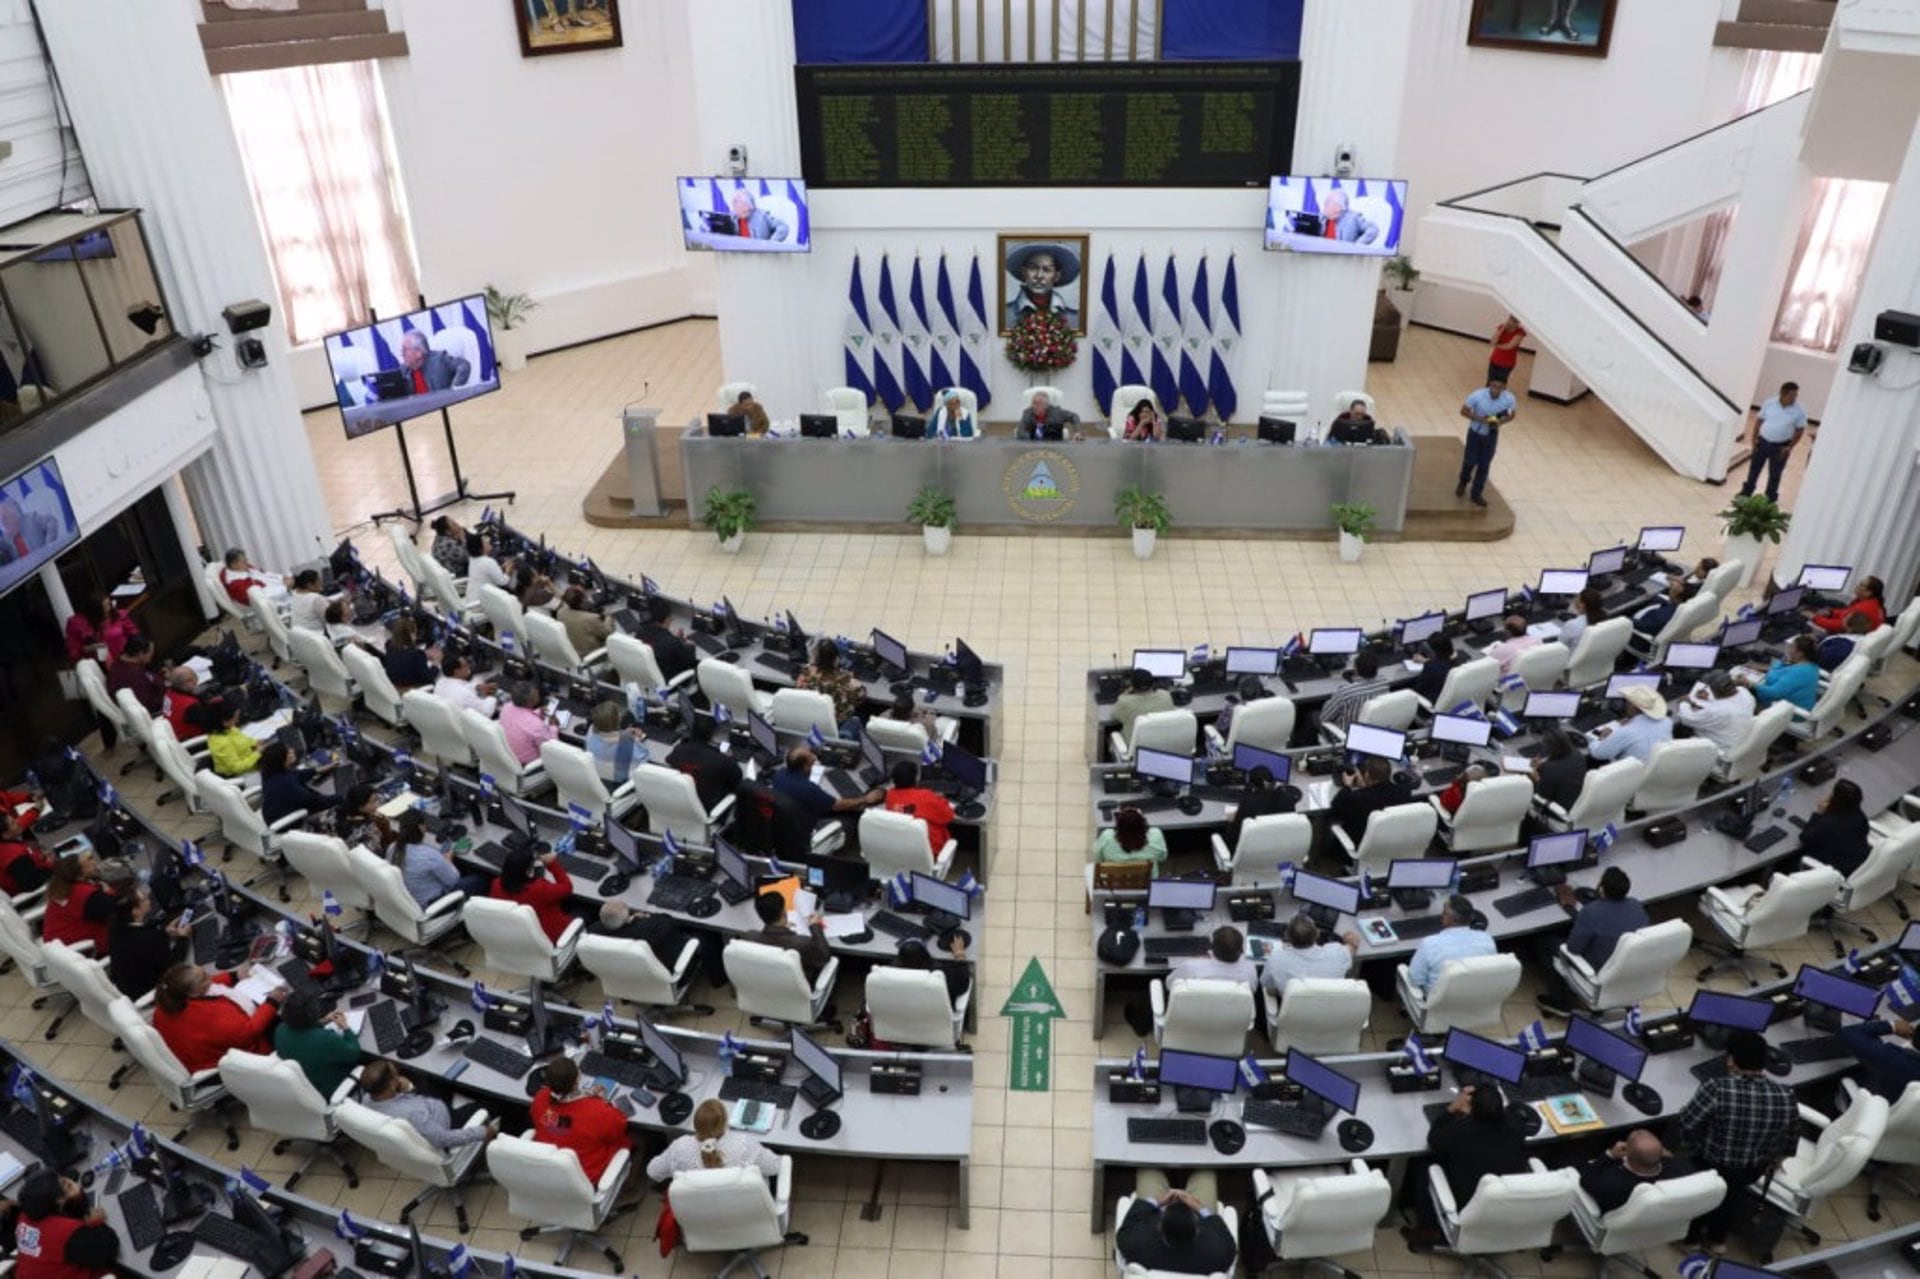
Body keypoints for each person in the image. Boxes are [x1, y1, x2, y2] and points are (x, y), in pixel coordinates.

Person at [1677, 1029, 1798, 1248]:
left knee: (1708, 1194)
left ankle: (1691, 1240)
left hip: (1712, 1164)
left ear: (1731, 1060)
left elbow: (1686, 1121)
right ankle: (1717, 1240)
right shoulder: (1786, 1094)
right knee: (1730, 1195)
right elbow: (1790, 1139)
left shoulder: (1716, 1088)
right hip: (1752, 1170)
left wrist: (1690, 1148)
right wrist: (1777, 1159)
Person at [1533, 867, 1650, 1017]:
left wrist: (1569, 906)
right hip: (1626, 966)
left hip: (1596, 970)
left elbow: (1573, 949)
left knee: (1543, 941)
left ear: (1601, 889)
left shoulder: (1591, 912)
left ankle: (1559, 1000)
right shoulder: (1635, 905)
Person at [151, 961, 282, 1071]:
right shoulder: (210, 1018)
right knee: (282, 1022)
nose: (210, 976)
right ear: (192, 993)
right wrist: (272, 1002)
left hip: (194, 1053)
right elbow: (248, 1034)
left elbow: (201, 983)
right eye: (204, 978)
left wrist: (233, 976)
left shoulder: (169, 998)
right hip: (232, 1060)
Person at [529, 1056, 634, 1186]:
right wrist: (600, 1103)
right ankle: (630, 1193)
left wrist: (587, 1096)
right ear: (576, 1080)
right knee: (638, 1139)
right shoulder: (598, 1112)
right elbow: (618, 1130)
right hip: (585, 1176)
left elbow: (564, 1123)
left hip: (550, 1166)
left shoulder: (540, 1098)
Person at [1427, 1085, 1528, 1215]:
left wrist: (1451, 1109)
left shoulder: (1459, 1131)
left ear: (1471, 1109)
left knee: (1422, 1165)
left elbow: (1433, 1140)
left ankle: (1429, 1227)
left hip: (1469, 1207)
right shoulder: (1516, 1126)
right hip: (1509, 1204)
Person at [358, 1059, 496, 1150]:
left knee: (436, 1077)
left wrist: (410, 1088)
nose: (399, 1077)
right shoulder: (413, 1115)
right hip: (446, 1121)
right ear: (392, 1084)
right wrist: (482, 1132)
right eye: (396, 1076)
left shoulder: (366, 1099)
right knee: (492, 1102)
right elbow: (444, 1139)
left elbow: (405, 1101)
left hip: (420, 1104)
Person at [1113, 1177, 1237, 1276]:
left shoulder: (1136, 1244)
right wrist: (1200, 1207)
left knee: (1150, 1171)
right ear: (1197, 1230)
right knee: (1205, 1175)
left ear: (1160, 1227)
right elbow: (1230, 1245)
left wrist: (1158, 1201)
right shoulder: (1217, 1255)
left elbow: (1127, 1228)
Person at [11, 1166, 119, 1278]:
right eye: (63, 1183)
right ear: (58, 1200)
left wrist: (76, 1196)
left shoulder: (25, 1215)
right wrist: (97, 1223)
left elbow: (71, 1212)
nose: (68, 1181)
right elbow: (108, 1249)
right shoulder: (64, 1235)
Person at [646, 1098, 782, 1182]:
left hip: (701, 1216)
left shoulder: (679, 1147)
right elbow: (775, 1168)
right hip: (741, 1210)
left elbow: (653, 1172)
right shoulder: (744, 1144)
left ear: (695, 1124)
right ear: (725, 1123)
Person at [272, 989, 362, 1100]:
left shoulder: (280, 1030)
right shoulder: (325, 1039)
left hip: (306, 1084)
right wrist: (346, 1028)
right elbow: (354, 1054)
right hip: (330, 1087)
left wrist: (322, 1021)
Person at [1579, 1130, 1695, 1215]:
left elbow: (1585, 1179)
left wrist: (1609, 1155)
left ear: (1627, 1154)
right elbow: (1674, 1161)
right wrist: (1668, 1158)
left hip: (1609, 1212)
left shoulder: (1611, 1184)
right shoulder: (1683, 1170)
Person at [771, 746, 883, 832]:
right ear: (805, 766)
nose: (814, 757)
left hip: (792, 817)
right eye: (811, 757)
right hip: (807, 824)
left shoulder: (779, 774)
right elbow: (837, 806)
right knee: (854, 815)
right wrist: (864, 799)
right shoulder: (808, 788)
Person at [395, 809, 489, 908]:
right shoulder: (428, 855)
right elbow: (454, 879)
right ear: (421, 827)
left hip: (413, 901)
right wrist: (449, 856)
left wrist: (443, 859)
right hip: (434, 905)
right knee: (481, 879)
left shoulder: (393, 848)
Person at [107, 885, 187, 1000]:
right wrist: (183, 937)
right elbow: (175, 965)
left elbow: (144, 933)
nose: (148, 899)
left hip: (129, 988)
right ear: (135, 911)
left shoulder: (115, 929)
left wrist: (164, 932)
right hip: (153, 993)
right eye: (144, 898)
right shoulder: (147, 938)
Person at [1407, 894, 1495, 996]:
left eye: (1443, 913)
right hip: (1476, 1000)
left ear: (1447, 919)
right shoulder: (1487, 940)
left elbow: (1415, 980)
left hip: (1439, 1006)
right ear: (1471, 917)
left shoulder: (1429, 944)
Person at [1738, 380, 1809, 504]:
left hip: (1781, 447)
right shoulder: (1769, 403)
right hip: (1762, 442)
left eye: (1796, 395)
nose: (1794, 398)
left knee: (1775, 474)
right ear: (1783, 393)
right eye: (1792, 395)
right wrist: (1754, 440)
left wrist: (1789, 447)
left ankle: (1770, 499)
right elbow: (1759, 421)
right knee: (1754, 470)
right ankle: (1746, 492)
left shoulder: (1799, 410)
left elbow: (1799, 430)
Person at [1260, 914, 1358, 999]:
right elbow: (1353, 944)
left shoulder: (1276, 959)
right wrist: (1348, 938)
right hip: (1330, 1012)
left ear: (1287, 937)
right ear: (1317, 933)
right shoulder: (1337, 952)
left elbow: (1268, 988)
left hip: (1295, 1016)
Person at [491, 845, 575, 943]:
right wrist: (552, 863)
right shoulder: (539, 889)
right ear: (528, 871)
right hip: (551, 936)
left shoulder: (496, 884)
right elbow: (567, 887)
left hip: (518, 936)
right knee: (585, 912)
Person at [1456, 374, 1517, 508]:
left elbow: (1512, 415)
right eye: (1494, 386)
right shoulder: (1477, 396)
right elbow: (1463, 411)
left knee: (1484, 465)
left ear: (1504, 388)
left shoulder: (1509, 398)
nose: (1496, 390)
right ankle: (1463, 481)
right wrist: (1480, 419)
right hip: (1475, 433)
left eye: (1500, 387)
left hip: (1491, 435)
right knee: (1469, 461)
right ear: (1489, 385)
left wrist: (1500, 421)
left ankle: (1476, 494)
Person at [1327, 755, 1414, 846]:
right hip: (1390, 842)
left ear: (1367, 775)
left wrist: (1347, 786)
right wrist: (1365, 787)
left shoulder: (1358, 798)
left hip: (1361, 844)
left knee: (1331, 822)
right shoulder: (1403, 792)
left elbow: (1335, 809)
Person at [665, 713, 743, 812]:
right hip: (705, 809)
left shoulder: (679, 750)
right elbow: (738, 779)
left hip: (678, 804)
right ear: (712, 736)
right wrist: (731, 759)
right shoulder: (721, 760)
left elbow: (668, 760)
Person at [1796, 778, 1872, 878]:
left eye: (1832, 794)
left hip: (1832, 872)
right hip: (1856, 866)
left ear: (1836, 799)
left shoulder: (1828, 823)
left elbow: (1804, 838)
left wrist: (1818, 814)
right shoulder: (1860, 816)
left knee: (1784, 862)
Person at [751, 889, 832, 981]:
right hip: (802, 984)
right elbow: (825, 956)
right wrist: (815, 926)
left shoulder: (751, 937)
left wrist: (782, 926)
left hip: (770, 982)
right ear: (784, 912)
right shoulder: (802, 943)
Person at [42, 854, 113, 952]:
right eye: (91, 865)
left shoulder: (62, 890)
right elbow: (115, 913)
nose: (94, 864)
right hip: (85, 951)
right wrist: (109, 893)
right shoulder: (85, 895)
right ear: (79, 875)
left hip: (60, 950)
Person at [1004, 241, 1081, 331]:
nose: (1039, 276)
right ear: (1024, 272)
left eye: (1047, 270)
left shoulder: (1074, 319)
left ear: (1056, 276)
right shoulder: (1004, 315)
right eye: (1033, 268)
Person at [1588, 684, 1674, 765]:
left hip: (1633, 776)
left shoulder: (1626, 732)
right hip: (1657, 770)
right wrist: (1631, 722)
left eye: (1627, 703)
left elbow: (1599, 754)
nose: (1625, 705)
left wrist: (1601, 738)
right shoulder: (1667, 722)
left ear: (1632, 707)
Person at [883, 760, 956, 855]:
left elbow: (908, 808)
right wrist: (939, 798)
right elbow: (949, 816)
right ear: (915, 779)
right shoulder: (926, 796)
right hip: (930, 851)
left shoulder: (890, 796)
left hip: (904, 847)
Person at [1673, 670, 1755, 753]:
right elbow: (1729, 703)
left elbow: (1687, 719)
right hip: (1739, 740)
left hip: (1722, 751)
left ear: (1715, 690)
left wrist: (1684, 702)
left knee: (1679, 727)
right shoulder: (1744, 692)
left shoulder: (1717, 711)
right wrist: (1710, 698)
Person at [259, 740, 335, 827]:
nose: (292, 750)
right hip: (289, 824)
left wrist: (319, 770)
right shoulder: (287, 783)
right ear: (283, 759)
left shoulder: (272, 774)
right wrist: (340, 797)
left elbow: (297, 775)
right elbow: (314, 802)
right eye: (289, 751)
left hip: (273, 816)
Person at [796, 638, 867, 731]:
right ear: (836, 660)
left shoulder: (807, 674)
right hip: (837, 723)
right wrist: (854, 681)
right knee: (864, 713)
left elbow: (799, 687)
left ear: (817, 658)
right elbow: (860, 697)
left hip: (813, 721)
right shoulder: (844, 680)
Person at [1317, 650, 1389, 737]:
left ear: (1356, 669)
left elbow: (1324, 717)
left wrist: (1328, 702)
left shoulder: (1346, 691)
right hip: (1372, 732)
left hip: (1344, 736)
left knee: (1312, 716)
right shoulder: (1384, 684)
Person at [1226, 766, 1298, 849]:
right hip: (1281, 851)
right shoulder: (1287, 800)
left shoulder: (1248, 803)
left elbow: (1234, 835)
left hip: (1252, 854)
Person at [1168, 926, 1257, 992]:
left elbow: (1170, 985)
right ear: (1241, 950)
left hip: (1195, 1013)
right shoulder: (1249, 969)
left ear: (1212, 948)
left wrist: (1197, 961)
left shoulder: (1191, 967)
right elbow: (1253, 989)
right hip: (1232, 1015)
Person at [1743, 634, 1820, 710]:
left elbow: (1772, 693)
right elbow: (1777, 669)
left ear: (1800, 653)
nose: (1789, 649)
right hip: (1785, 700)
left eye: (1791, 647)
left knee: (1740, 690)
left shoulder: (1798, 673)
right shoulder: (1809, 664)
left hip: (1787, 712)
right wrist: (1760, 668)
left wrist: (1750, 684)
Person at [635, 594, 697, 683]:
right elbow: (689, 660)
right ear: (667, 619)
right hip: (670, 683)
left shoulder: (640, 633)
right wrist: (691, 646)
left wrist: (672, 637)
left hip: (649, 681)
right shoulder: (671, 643)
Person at [584, 699, 646, 786]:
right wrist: (637, 741)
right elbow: (643, 762)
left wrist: (624, 734)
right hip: (618, 784)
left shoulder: (591, 730)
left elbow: (607, 736)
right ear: (617, 721)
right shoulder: (627, 743)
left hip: (596, 778)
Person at [62, 591, 136, 664]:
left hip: (127, 659)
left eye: (109, 605)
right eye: (104, 607)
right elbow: (73, 651)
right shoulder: (79, 623)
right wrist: (88, 648)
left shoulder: (119, 615)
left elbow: (134, 635)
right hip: (100, 664)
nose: (108, 610)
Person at [1092, 806, 1168, 876]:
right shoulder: (1156, 834)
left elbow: (1097, 858)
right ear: (1143, 824)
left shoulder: (1106, 836)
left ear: (1118, 825)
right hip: (1147, 886)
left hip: (1112, 885)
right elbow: (1162, 858)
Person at [1530, 726, 1591, 811]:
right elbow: (1561, 764)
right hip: (1576, 798)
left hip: (1559, 807)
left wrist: (1536, 779)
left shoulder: (1550, 769)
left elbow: (1542, 795)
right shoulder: (1577, 754)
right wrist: (1544, 762)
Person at [498, 681, 558, 765]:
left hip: (507, 754)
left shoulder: (506, 707)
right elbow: (552, 749)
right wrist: (553, 727)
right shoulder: (536, 725)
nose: (537, 691)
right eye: (535, 692)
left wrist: (538, 713)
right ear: (530, 701)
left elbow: (522, 719)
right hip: (528, 764)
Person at [1113, 667, 1175, 745]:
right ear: (1153, 684)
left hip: (1136, 750)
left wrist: (1124, 694)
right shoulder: (1165, 695)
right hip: (1163, 746)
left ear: (1132, 686)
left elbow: (1114, 716)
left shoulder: (1125, 702)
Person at [105, 633, 165, 714]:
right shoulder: (132, 677)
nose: (151, 656)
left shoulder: (121, 662)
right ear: (140, 654)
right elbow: (148, 706)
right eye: (150, 653)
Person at [397, 329, 470, 395]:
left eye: (405, 349)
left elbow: (464, 365)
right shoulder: (404, 370)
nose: (402, 353)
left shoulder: (440, 359)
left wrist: (454, 388)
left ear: (418, 352)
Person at [0, 809, 51, 898]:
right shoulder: (12, 855)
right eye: (13, 823)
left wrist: (40, 858)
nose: (18, 822)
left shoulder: (7, 847)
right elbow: (33, 884)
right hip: (34, 896)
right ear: (4, 834)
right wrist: (50, 864)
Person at [203, 701, 262, 777]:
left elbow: (244, 740)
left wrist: (256, 742)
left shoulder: (229, 729)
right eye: (235, 718)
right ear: (224, 722)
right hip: (244, 775)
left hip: (252, 760)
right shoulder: (221, 743)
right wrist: (258, 753)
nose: (237, 720)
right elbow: (237, 768)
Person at [1811, 575, 1887, 634]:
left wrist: (1813, 617)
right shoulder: (1873, 603)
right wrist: (1831, 613)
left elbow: (1838, 625)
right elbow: (1846, 612)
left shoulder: (1863, 608)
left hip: (1841, 635)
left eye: (1861, 585)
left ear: (1868, 592)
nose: (1857, 586)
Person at [433, 652, 499, 717]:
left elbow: (461, 686)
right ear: (457, 672)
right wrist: (493, 697)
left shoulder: (440, 682)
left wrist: (477, 687)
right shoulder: (465, 694)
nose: (469, 666)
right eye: (465, 665)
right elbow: (486, 711)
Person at [382, 615, 436, 691]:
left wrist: (423, 654)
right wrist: (437, 664)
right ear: (412, 634)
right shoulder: (417, 655)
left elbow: (403, 655)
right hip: (410, 691)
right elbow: (429, 678)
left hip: (393, 687)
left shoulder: (389, 644)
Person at [557, 585, 613, 657]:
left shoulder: (561, 612)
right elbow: (608, 632)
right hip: (590, 654)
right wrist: (608, 617)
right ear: (582, 601)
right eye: (586, 597)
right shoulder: (591, 619)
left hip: (572, 650)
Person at [1409, 634, 1461, 707]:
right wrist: (1426, 660)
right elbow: (1443, 662)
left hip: (1429, 704)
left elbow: (1418, 690)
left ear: (1434, 650)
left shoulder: (1431, 667)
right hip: (1448, 703)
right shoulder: (1456, 661)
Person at [461, 532, 509, 608]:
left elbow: (485, 572)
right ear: (480, 548)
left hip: (471, 600)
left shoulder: (472, 559)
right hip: (480, 604)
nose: (487, 541)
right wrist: (509, 570)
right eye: (485, 542)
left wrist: (500, 568)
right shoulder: (489, 562)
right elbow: (502, 582)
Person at [161, 666, 206, 742]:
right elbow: (211, 723)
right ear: (188, 683)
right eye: (195, 682)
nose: (197, 684)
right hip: (196, 741)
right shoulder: (190, 706)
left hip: (176, 734)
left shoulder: (169, 694)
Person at [1487, 314, 1526, 386]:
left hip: (1507, 363)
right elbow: (1493, 341)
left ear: (1518, 322)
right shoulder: (1502, 327)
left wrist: (1496, 345)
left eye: (1515, 321)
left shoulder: (1520, 332)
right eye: (1511, 320)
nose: (1513, 323)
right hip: (1494, 359)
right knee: (1490, 381)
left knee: (1500, 384)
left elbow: (1509, 346)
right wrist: (1502, 329)